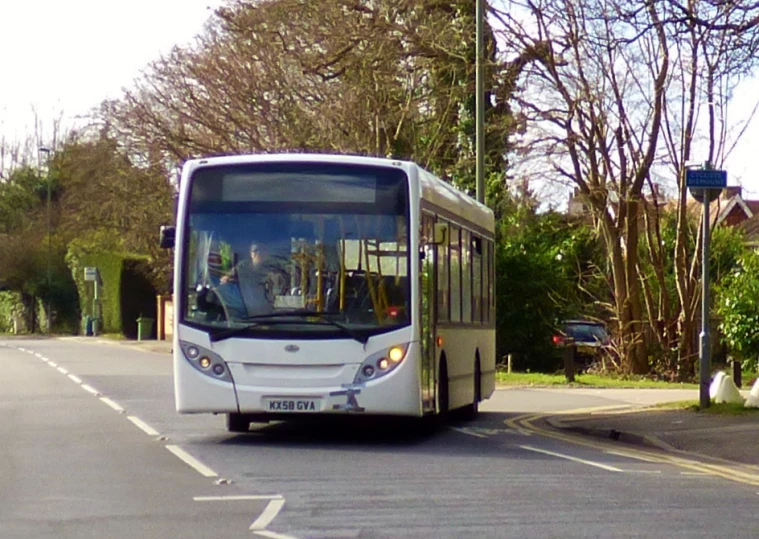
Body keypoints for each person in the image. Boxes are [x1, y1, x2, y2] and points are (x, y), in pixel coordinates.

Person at [219, 241, 287, 317]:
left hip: (267, 313)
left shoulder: (273, 268)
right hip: (244, 311)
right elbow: (225, 280)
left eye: (262, 250)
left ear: (267, 253)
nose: (259, 253)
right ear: (251, 254)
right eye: (255, 250)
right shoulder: (242, 267)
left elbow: (282, 287)